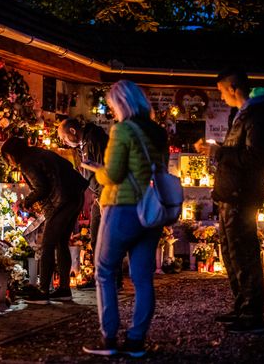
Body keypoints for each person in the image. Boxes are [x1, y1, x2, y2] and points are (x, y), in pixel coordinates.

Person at [80, 80, 167, 358]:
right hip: (151, 211)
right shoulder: (157, 132)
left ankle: (108, 338)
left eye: (112, 105)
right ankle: (136, 341)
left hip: (122, 208)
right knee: (142, 278)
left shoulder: (122, 130)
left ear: (121, 104)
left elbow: (114, 175)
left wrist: (97, 171)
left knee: (105, 270)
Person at [195, 67, 264, 334]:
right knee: (231, 255)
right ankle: (241, 306)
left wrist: (218, 152)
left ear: (233, 88)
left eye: (221, 90)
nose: (221, 96)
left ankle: (252, 315)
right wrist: (218, 150)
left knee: (244, 254)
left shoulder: (259, 116)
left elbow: (254, 158)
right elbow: (239, 152)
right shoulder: (242, 114)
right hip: (229, 194)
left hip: (242, 195)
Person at [1, 137, 88, 303]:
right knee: (61, 243)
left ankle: (43, 291)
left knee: (47, 245)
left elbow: (42, 187)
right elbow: (66, 168)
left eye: (7, 157)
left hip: (61, 201)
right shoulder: (38, 153)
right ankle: (63, 289)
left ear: (12, 154)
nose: (8, 161)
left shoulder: (26, 162)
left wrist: (26, 201)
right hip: (74, 196)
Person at [58, 118, 124, 288]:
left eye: (64, 138)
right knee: (97, 238)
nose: (64, 142)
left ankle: (111, 279)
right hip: (99, 195)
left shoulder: (95, 139)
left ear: (73, 131)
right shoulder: (83, 144)